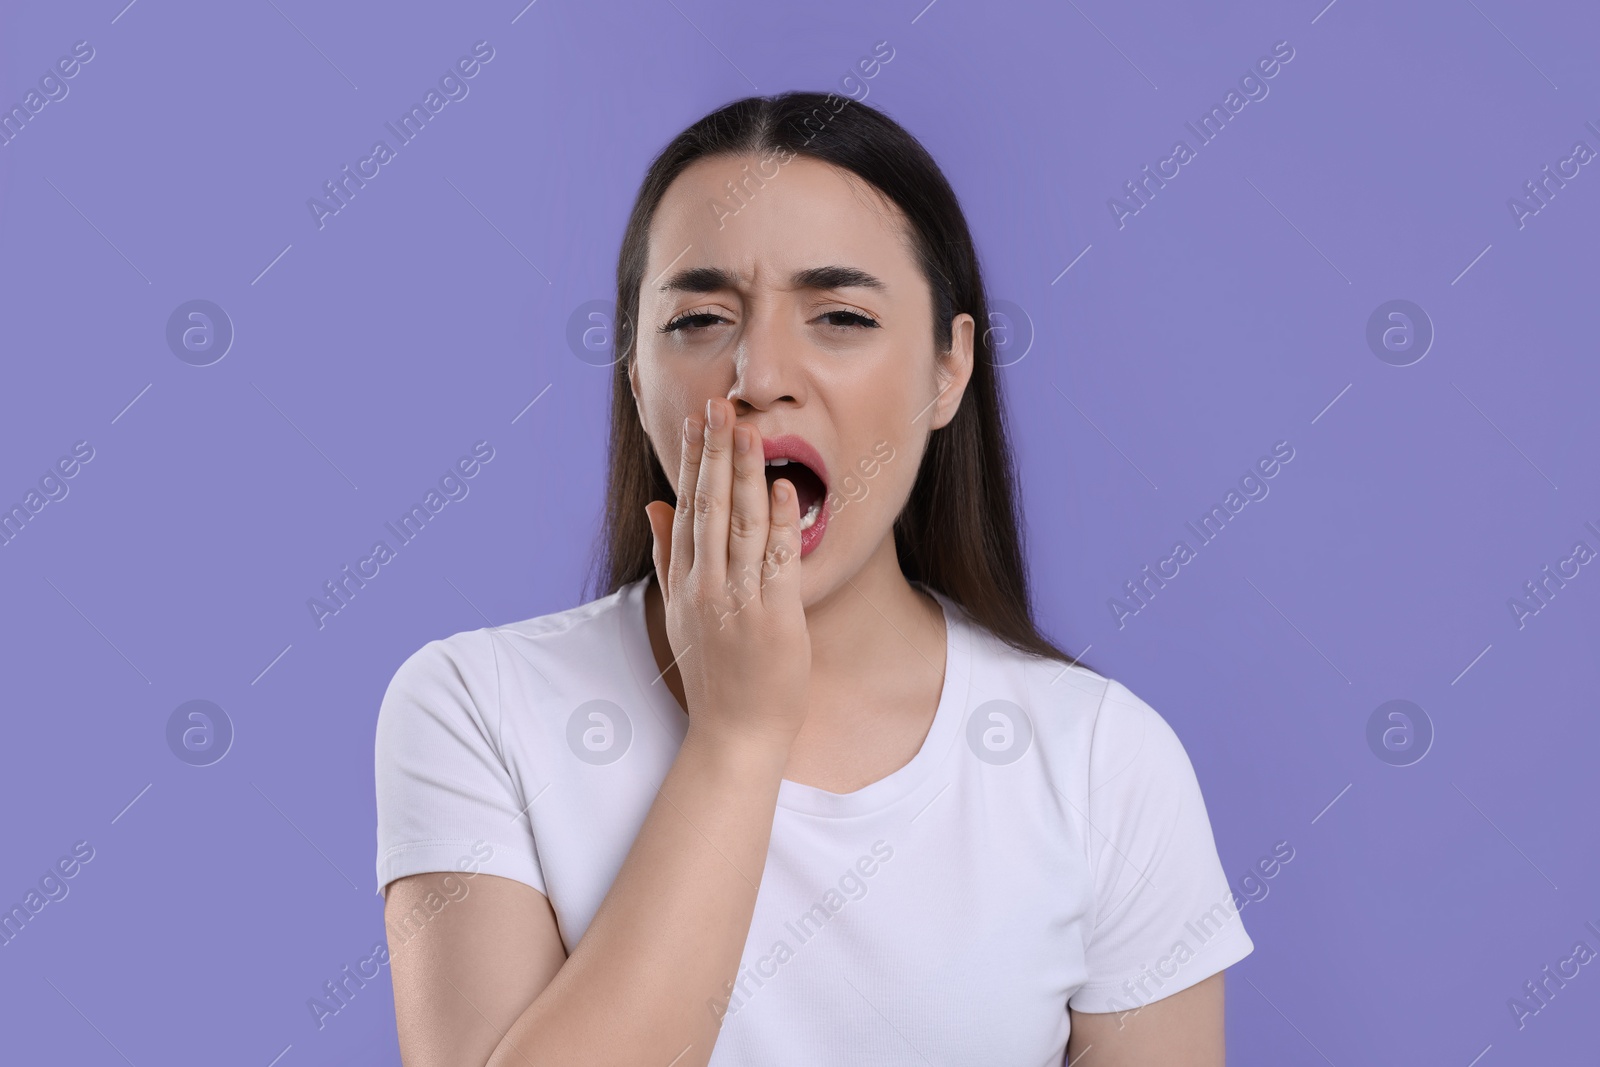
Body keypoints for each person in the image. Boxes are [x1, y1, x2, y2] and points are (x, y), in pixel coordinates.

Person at [375, 90, 1252, 1066]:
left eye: (839, 315)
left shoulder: (1101, 759)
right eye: (699, 317)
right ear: (633, 373)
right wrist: (739, 736)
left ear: (946, 370)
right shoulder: (473, 707)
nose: (758, 372)